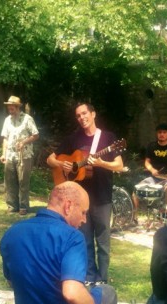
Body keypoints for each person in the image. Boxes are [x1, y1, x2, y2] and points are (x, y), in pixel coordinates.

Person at [0, 181, 139, 304]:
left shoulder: (12, 232)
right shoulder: (72, 237)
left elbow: (12, 281)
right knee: (107, 290)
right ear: (68, 206)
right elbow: (72, 293)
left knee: (84, 289)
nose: (84, 220)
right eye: (83, 212)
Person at [46, 103, 123, 284]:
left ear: (93, 114)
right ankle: (89, 277)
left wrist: (101, 163)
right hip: (80, 201)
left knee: (103, 242)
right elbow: (49, 159)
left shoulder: (108, 138)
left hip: (102, 197)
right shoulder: (73, 139)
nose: (82, 117)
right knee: (85, 239)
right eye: (78, 115)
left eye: (84, 113)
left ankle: (102, 279)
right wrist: (60, 164)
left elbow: (118, 165)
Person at [131, 123, 167, 221]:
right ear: (157, 134)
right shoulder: (151, 146)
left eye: (164, 132)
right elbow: (147, 162)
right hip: (154, 178)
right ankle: (135, 216)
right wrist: (152, 170)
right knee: (136, 191)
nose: (161, 134)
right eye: (159, 132)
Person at [0, 96, 39, 215]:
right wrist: (3, 154)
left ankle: (23, 206)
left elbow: (36, 135)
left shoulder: (27, 119)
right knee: (10, 181)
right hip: (10, 155)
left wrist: (24, 142)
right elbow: (5, 138)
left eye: (12, 107)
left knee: (23, 181)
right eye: (8, 107)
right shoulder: (7, 120)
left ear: (17, 107)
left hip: (24, 155)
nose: (10, 109)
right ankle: (12, 206)